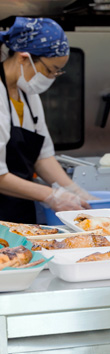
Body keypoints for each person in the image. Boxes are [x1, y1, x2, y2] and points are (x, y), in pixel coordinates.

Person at [0, 17, 94, 223]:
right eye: (50, 70)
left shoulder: (27, 93)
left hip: (18, 211)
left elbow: (42, 157)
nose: (52, 77)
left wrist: (77, 192)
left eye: (58, 72)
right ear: (23, 58)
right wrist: (51, 196)